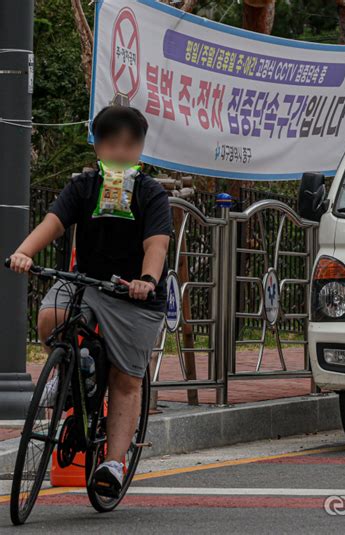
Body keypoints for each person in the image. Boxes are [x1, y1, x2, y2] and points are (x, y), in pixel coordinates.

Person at [8, 105, 171, 497]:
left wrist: (147, 280)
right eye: (111, 143)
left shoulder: (150, 193)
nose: (120, 152)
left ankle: (113, 464)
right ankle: (72, 371)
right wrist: (24, 252)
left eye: (129, 145)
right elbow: (54, 221)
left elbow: (157, 243)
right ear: (97, 147)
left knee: (126, 379)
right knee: (51, 314)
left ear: (141, 150)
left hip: (134, 295)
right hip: (88, 284)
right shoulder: (83, 187)